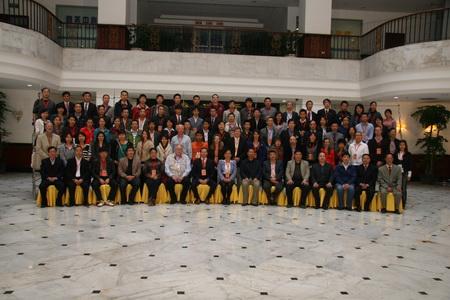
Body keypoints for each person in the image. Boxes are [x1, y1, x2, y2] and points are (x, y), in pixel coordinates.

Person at [394, 140, 412, 208]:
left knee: (403, 188)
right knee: (397, 187)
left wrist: (409, 175)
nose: (402, 146)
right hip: (396, 173)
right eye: (400, 145)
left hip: (404, 173)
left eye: (403, 145)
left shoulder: (408, 154)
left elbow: (410, 165)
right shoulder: (396, 154)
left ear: (405, 146)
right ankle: (397, 203)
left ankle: (403, 204)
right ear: (398, 146)